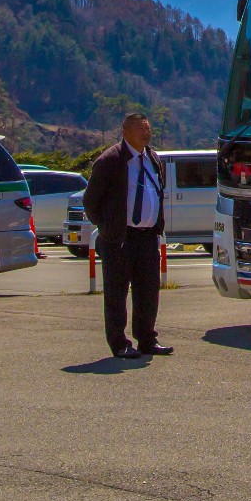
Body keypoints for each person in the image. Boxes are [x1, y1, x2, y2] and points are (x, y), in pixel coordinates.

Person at [83, 112, 171, 360]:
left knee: (148, 291)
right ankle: (119, 343)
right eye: (141, 129)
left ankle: (146, 339)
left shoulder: (152, 158)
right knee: (116, 294)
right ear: (125, 132)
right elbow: (91, 201)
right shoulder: (111, 160)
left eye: (148, 128)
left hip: (147, 238)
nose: (146, 133)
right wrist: (107, 226)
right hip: (119, 239)